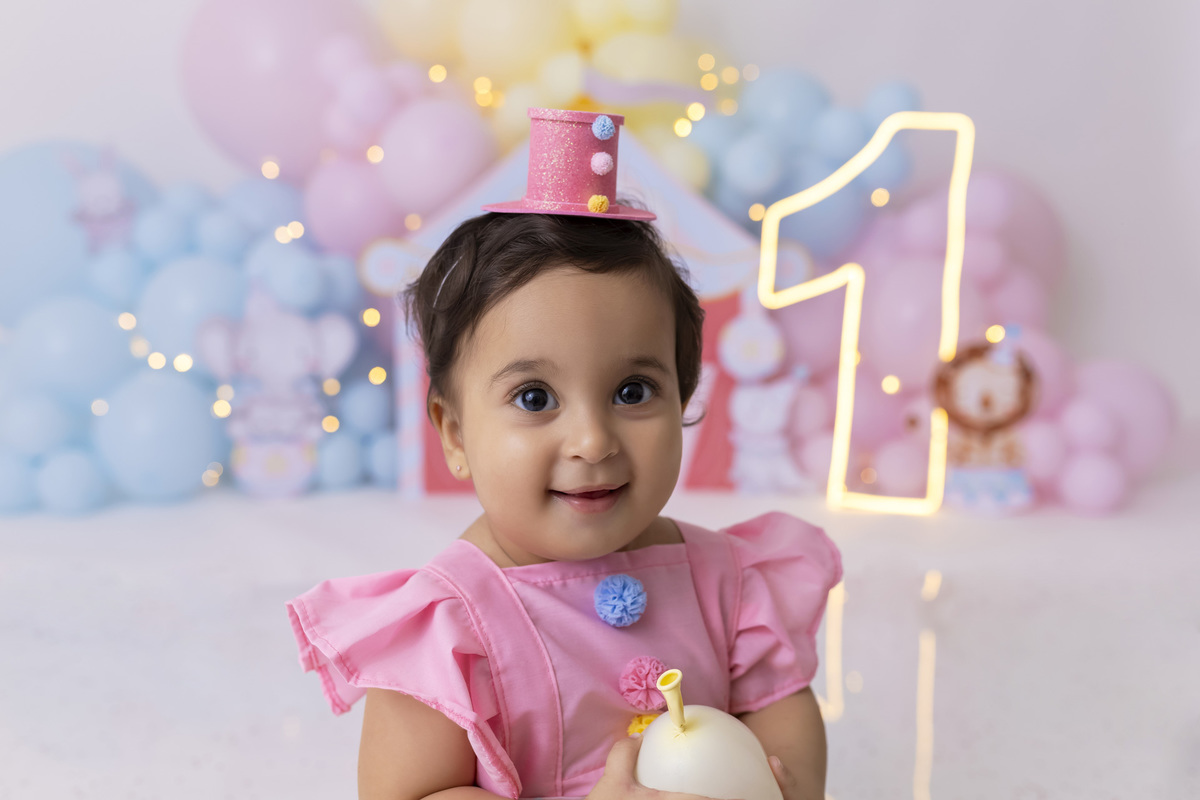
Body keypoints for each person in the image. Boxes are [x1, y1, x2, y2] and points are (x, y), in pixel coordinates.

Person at [286, 109, 842, 800]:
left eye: (633, 390)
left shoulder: (728, 584)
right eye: (535, 398)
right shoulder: (452, 627)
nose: (592, 441)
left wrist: (781, 783)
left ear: (684, 397)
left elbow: (780, 707)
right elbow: (410, 793)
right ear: (454, 434)